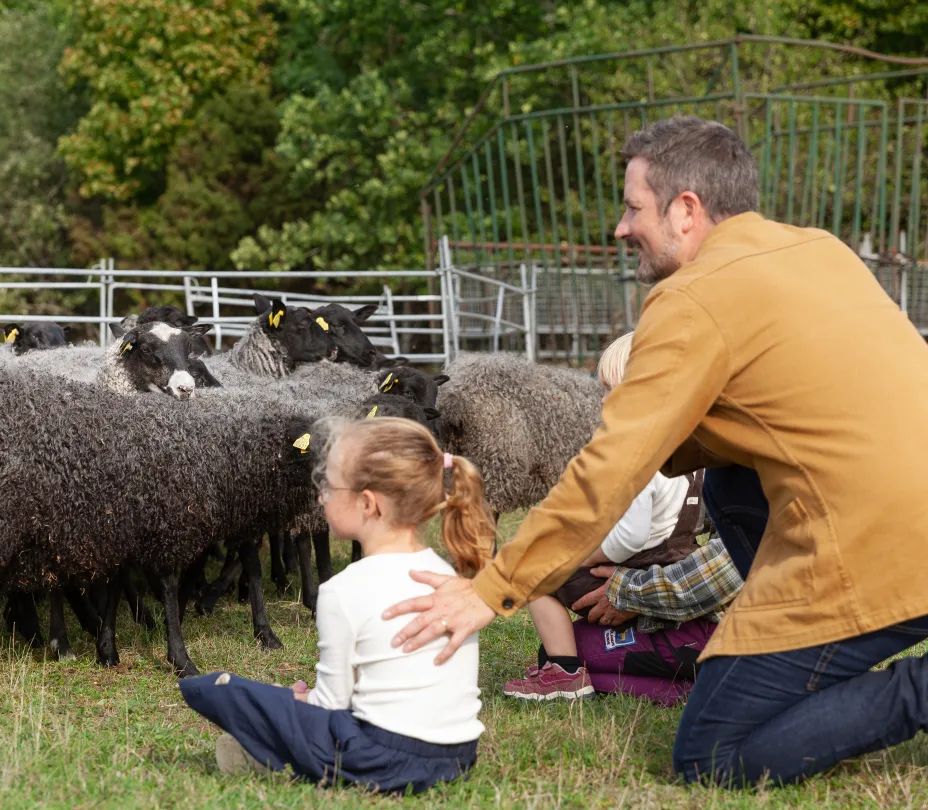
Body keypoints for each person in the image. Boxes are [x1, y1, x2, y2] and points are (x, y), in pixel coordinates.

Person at [381, 114, 928, 787]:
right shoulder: (819, 249)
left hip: (883, 549)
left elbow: (610, 470)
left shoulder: (692, 299)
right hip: (898, 515)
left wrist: (490, 589)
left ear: (687, 211)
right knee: (729, 481)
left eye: (633, 207)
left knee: (711, 756)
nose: (620, 227)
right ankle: (797, 656)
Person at [179, 417, 496, 794]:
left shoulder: (343, 590)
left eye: (328, 484)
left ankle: (262, 753)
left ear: (366, 503)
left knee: (223, 691)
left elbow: (331, 705)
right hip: (458, 755)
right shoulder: (448, 579)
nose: (320, 495)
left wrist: (300, 701)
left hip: (384, 758)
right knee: (291, 708)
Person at [503, 331, 705, 702]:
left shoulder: (637, 453)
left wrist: (583, 555)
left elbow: (628, 537)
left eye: (612, 389)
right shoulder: (690, 449)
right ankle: (674, 684)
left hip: (634, 565)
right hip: (677, 560)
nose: (603, 400)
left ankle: (563, 672)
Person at [567, 536, 743, 706]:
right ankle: (712, 689)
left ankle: (712, 689)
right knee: (569, 650)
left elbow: (721, 572)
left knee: (571, 651)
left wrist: (627, 590)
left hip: (727, 633)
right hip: (746, 641)